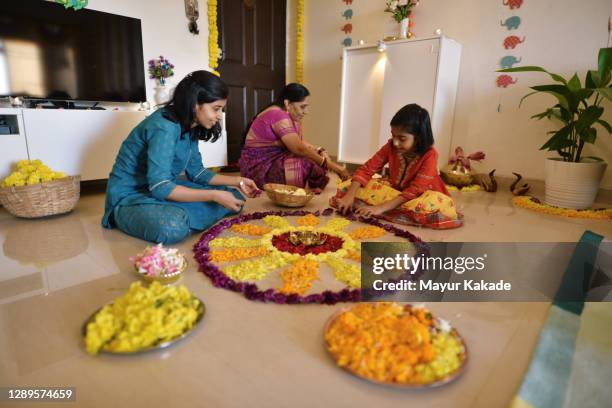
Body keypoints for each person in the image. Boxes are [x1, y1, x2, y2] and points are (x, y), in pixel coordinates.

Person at [102, 70, 260, 244]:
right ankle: (123, 216)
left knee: (234, 197)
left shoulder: (189, 124)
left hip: (157, 188)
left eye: (221, 109)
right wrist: (213, 196)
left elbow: (197, 173)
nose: (219, 117)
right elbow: (161, 188)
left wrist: (238, 181)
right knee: (173, 226)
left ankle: (186, 214)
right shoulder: (164, 126)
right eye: (216, 109)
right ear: (194, 103)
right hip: (130, 196)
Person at [332, 104, 462, 229]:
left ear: (418, 138)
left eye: (402, 138)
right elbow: (367, 169)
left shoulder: (430, 155)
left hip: (422, 197)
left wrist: (380, 208)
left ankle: (391, 209)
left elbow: (415, 190)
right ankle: (393, 210)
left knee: (425, 207)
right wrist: (349, 196)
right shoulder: (390, 146)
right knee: (351, 186)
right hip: (397, 193)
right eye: (393, 135)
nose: (395, 142)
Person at [239, 83, 349, 192]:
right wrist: (335, 167)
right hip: (258, 168)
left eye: (307, 107)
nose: (306, 112)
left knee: (316, 158)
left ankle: (307, 186)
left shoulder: (285, 114)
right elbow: (299, 149)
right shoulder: (278, 114)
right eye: (302, 107)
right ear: (287, 103)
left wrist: (319, 150)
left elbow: (300, 143)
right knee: (308, 163)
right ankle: (304, 186)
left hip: (271, 161)